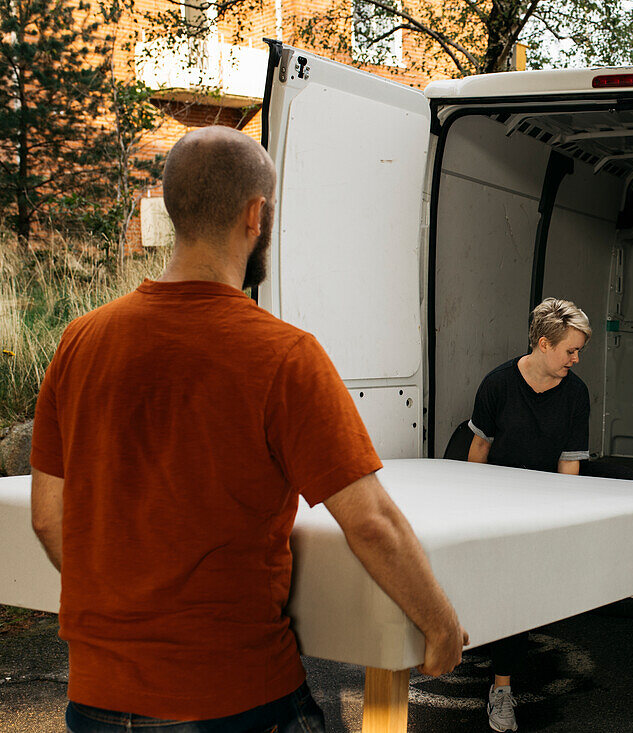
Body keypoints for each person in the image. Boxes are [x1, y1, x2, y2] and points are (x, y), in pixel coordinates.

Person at [29, 126, 467, 731]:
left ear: (176, 209)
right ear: (256, 214)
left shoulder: (79, 341)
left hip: (96, 699)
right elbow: (370, 521)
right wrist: (441, 625)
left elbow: (49, 517)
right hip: (231, 696)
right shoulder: (281, 354)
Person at [466, 297, 592, 732]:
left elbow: (569, 463)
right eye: (570, 350)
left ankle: (501, 687)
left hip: (541, 505)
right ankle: (497, 683)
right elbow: (479, 449)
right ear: (543, 343)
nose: (576, 359)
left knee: (517, 596)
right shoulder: (498, 384)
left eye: (578, 351)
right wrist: (471, 512)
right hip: (496, 504)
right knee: (500, 594)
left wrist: (564, 524)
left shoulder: (576, 393)